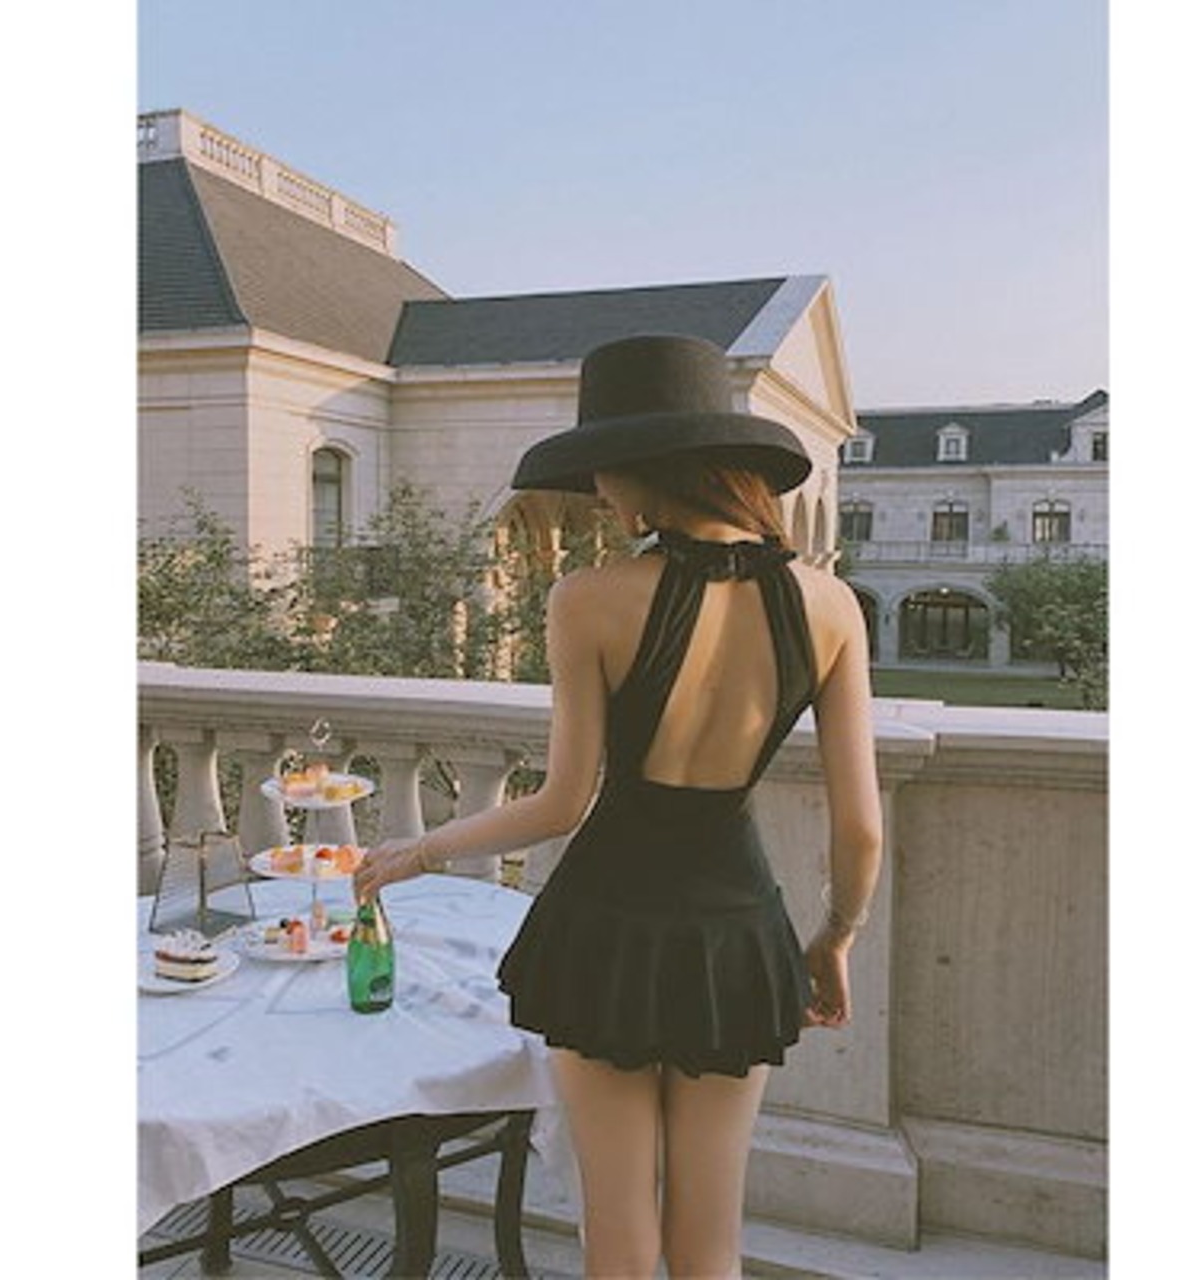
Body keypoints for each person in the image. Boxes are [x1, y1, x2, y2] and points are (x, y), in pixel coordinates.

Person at [354, 333, 883, 1279]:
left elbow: (563, 801)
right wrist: (836, 935)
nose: (599, 493)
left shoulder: (588, 599)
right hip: (735, 932)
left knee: (619, 1231)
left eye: (602, 468)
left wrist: (422, 849)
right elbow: (861, 826)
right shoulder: (831, 605)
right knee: (710, 1238)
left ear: (643, 469)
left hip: (605, 925)